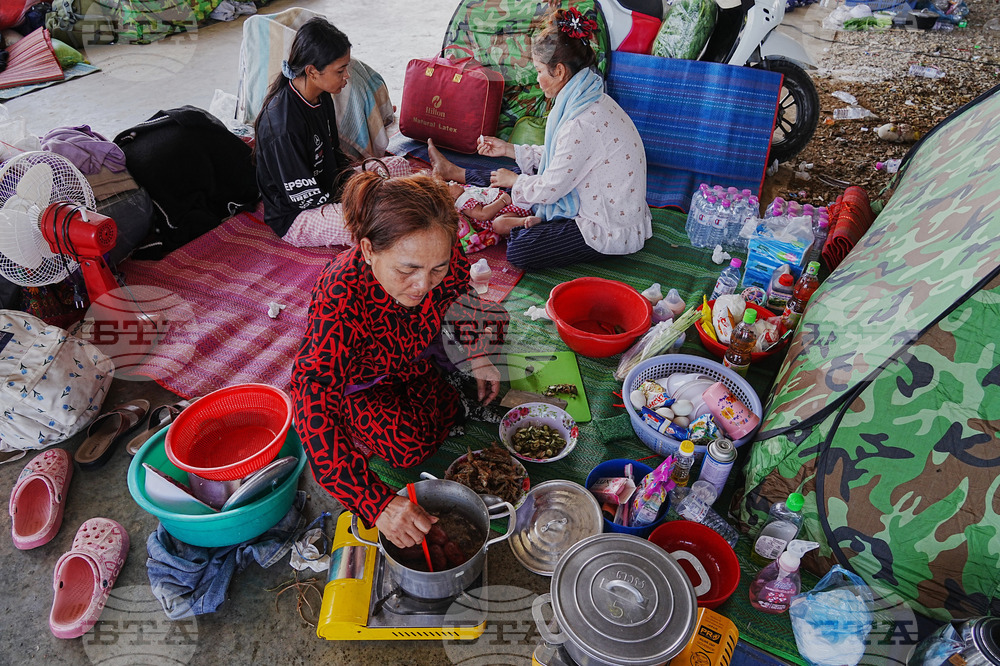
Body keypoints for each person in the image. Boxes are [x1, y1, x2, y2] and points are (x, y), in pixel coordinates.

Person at [290, 172, 505, 549]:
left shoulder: (440, 253)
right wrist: (377, 504)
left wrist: (479, 353)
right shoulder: (340, 294)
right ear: (370, 249)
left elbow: (459, 295)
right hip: (369, 380)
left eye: (435, 268)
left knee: (494, 331)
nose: (423, 286)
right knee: (407, 447)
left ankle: (450, 391)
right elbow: (312, 393)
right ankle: (449, 397)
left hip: (420, 354)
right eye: (407, 270)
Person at [428, 8, 652, 270]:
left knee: (521, 250)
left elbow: (551, 187)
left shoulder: (580, 121)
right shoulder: (591, 98)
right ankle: (456, 172)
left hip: (606, 227)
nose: (537, 79)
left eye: (538, 71)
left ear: (558, 71)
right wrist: (509, 148)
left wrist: (517, 182)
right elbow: (562, 157)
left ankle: (505, 202)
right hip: (592, 196)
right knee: (514, 173)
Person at [253, 17, 410, 248]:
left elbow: (333, 153)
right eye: (341, 70)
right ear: (312, 71)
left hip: (332, 186)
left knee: (398, 166)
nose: (347, 76)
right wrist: (364, 195)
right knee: (376, 218)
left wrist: (362, 182)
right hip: (300, 215)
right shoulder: (282, 125)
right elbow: (305, 198)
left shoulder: (321, 95)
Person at [444, 180, 539, 254]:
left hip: (511, 202)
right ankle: (525, 221)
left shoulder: (465, 189)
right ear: (450, 198)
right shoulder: (463, 203)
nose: (452, 181)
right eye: (449, 184)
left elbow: (481, 196)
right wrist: (502, 201)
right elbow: (483, 214)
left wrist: (490, 188)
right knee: (498, 224)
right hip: (504, 213)